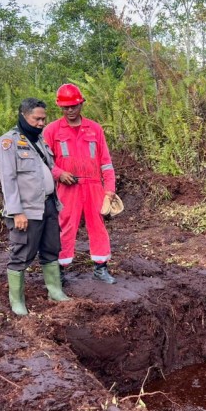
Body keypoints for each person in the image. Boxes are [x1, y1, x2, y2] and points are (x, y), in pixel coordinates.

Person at [0, 97, 70, 315]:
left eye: (43, 119)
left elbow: (49, 168)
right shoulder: (8, 143)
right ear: (23, 116)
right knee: (22, 253)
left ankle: (55, 291)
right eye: (36, 119)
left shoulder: (39, 141)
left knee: (51, 248)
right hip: (26, 210)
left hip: (48, 205)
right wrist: (16, 211)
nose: (41, 123)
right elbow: (8, 180)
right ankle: (17, 302)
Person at [44, 83, 117, 284]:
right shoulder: (52, 130)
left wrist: (109, 191)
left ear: (81, 104)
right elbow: (43, 162)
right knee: (65, 225)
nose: (70, 111)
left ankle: (100, 269)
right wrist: (58, 174)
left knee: (98, 226)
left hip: (94, 186)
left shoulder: (95, 129)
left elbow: (106, 163)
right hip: (67, 187)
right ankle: (58, 271)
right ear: (60, 107)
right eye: (65, 107)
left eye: (73, 106)